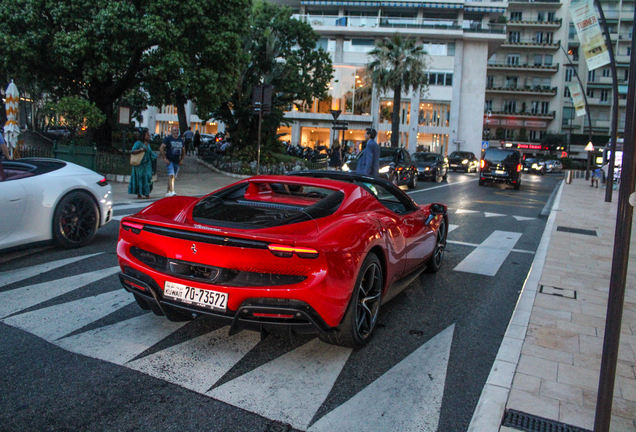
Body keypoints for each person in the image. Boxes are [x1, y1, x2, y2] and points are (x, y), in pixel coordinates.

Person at [128, 130, 157, 199]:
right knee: (140, 178)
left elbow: (150, 153)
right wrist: (141, 150)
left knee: (148, 178)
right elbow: (133, 151)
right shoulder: (138, 143)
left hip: (147, 164)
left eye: (149, 135)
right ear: (143, 136)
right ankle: (139, 194)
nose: (148, 137)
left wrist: (157, 156)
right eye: (147, 135)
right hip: (140, 164)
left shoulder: (148, 145)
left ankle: (147, 193)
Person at [160, 125, 185, 196]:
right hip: (169, 159)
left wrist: (182, 159)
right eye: (174, 130)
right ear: (172, 131)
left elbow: (183, 150)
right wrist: (164, 158)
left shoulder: (180, 140)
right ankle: (172, 190)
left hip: (177, 160)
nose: (176, 132)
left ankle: (168, 191)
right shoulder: (168, 139)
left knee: (173, 176)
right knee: (171, 175)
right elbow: (161, 148)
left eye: (177, 130)